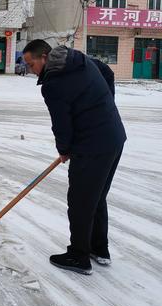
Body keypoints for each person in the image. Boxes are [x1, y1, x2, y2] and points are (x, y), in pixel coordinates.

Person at [22, 40, 126, 275]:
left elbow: (61, 124)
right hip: (114, 138)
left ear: (45, 57)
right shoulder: (78, 59)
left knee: (80, 202)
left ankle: (79, 256)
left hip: (91, 146)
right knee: (96, 198)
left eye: (31, 64)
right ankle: (99, 249)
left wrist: (64, 149)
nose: (30, 70)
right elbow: (107, 71)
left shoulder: (53, 83)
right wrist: (105, 107)